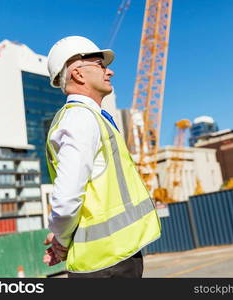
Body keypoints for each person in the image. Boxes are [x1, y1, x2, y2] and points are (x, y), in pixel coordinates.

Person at [42, 36, 161, 278]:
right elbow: (66, 200)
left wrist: (61, 236)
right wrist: (63, 242)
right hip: (106, 263)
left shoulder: (89, 118)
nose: (110, 72)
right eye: (100, 65)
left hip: (110, 258)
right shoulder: (80, 119)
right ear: (78, 74)